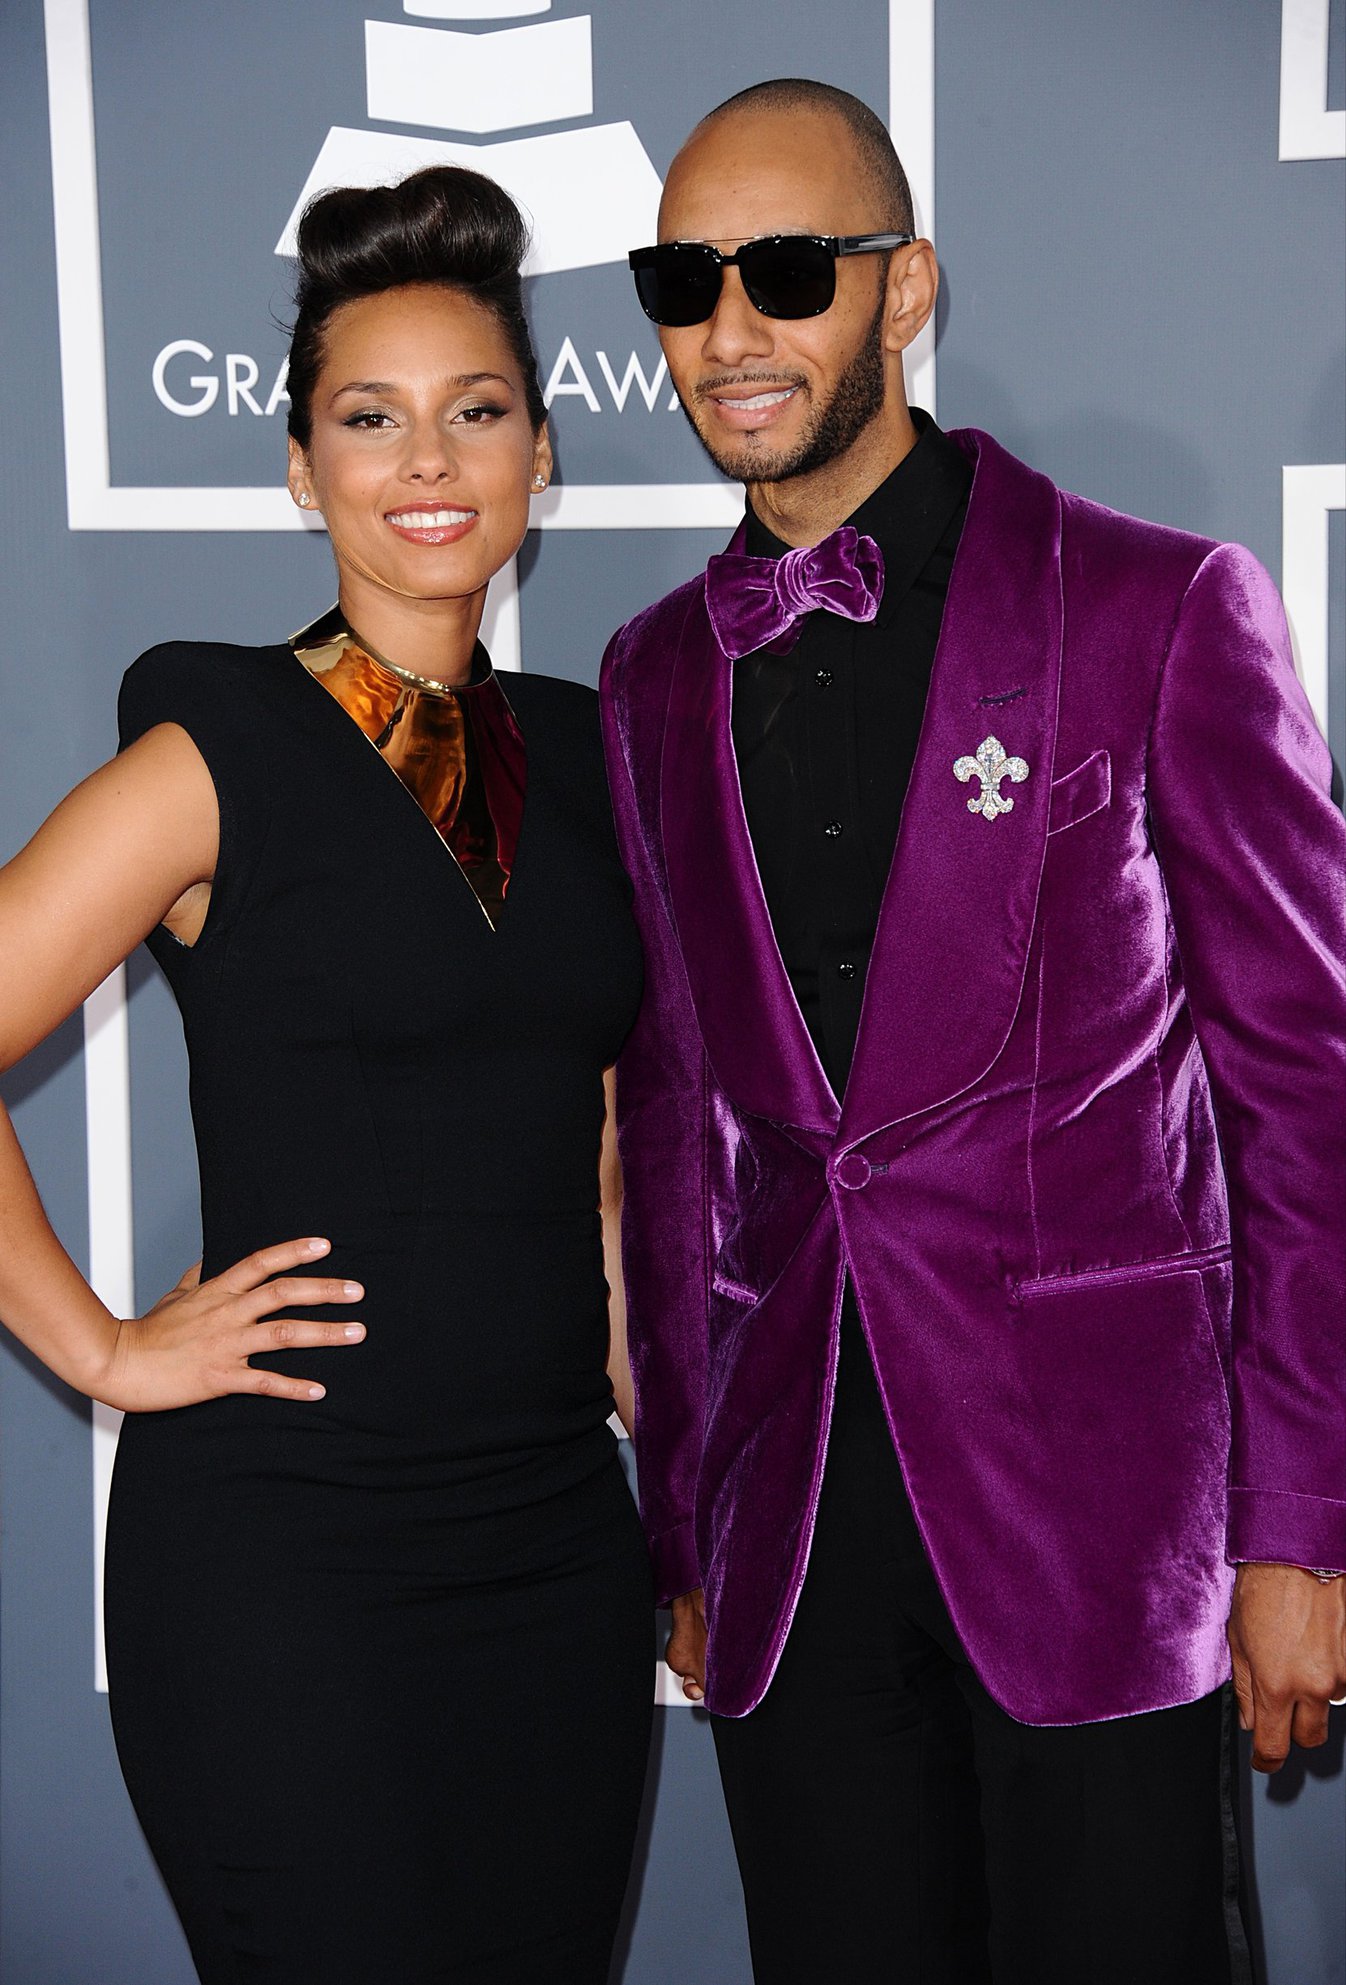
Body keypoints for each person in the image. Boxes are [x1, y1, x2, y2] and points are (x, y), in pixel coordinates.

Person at [602, 77, 1346, 1984]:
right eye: (684, 282)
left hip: (1100, 1523)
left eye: (787, 270)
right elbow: (676, 1124)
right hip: (790, 1536)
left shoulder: (1156, 605)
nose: (730, 329)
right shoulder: (650, 675)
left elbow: (1304, 1096)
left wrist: (1304, 1527)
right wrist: (684, 1520)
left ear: (906, 285)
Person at [0, 166, 652, 1982]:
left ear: (538, 454)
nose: (426, 459)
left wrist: (663, 1425)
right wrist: (106, 1350)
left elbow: (601, 1135)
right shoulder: (216, 749)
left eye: (476, 410)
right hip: (285, 1560)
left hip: (554, 1544)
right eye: (369, 417)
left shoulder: (599, 756)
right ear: (301, 467)